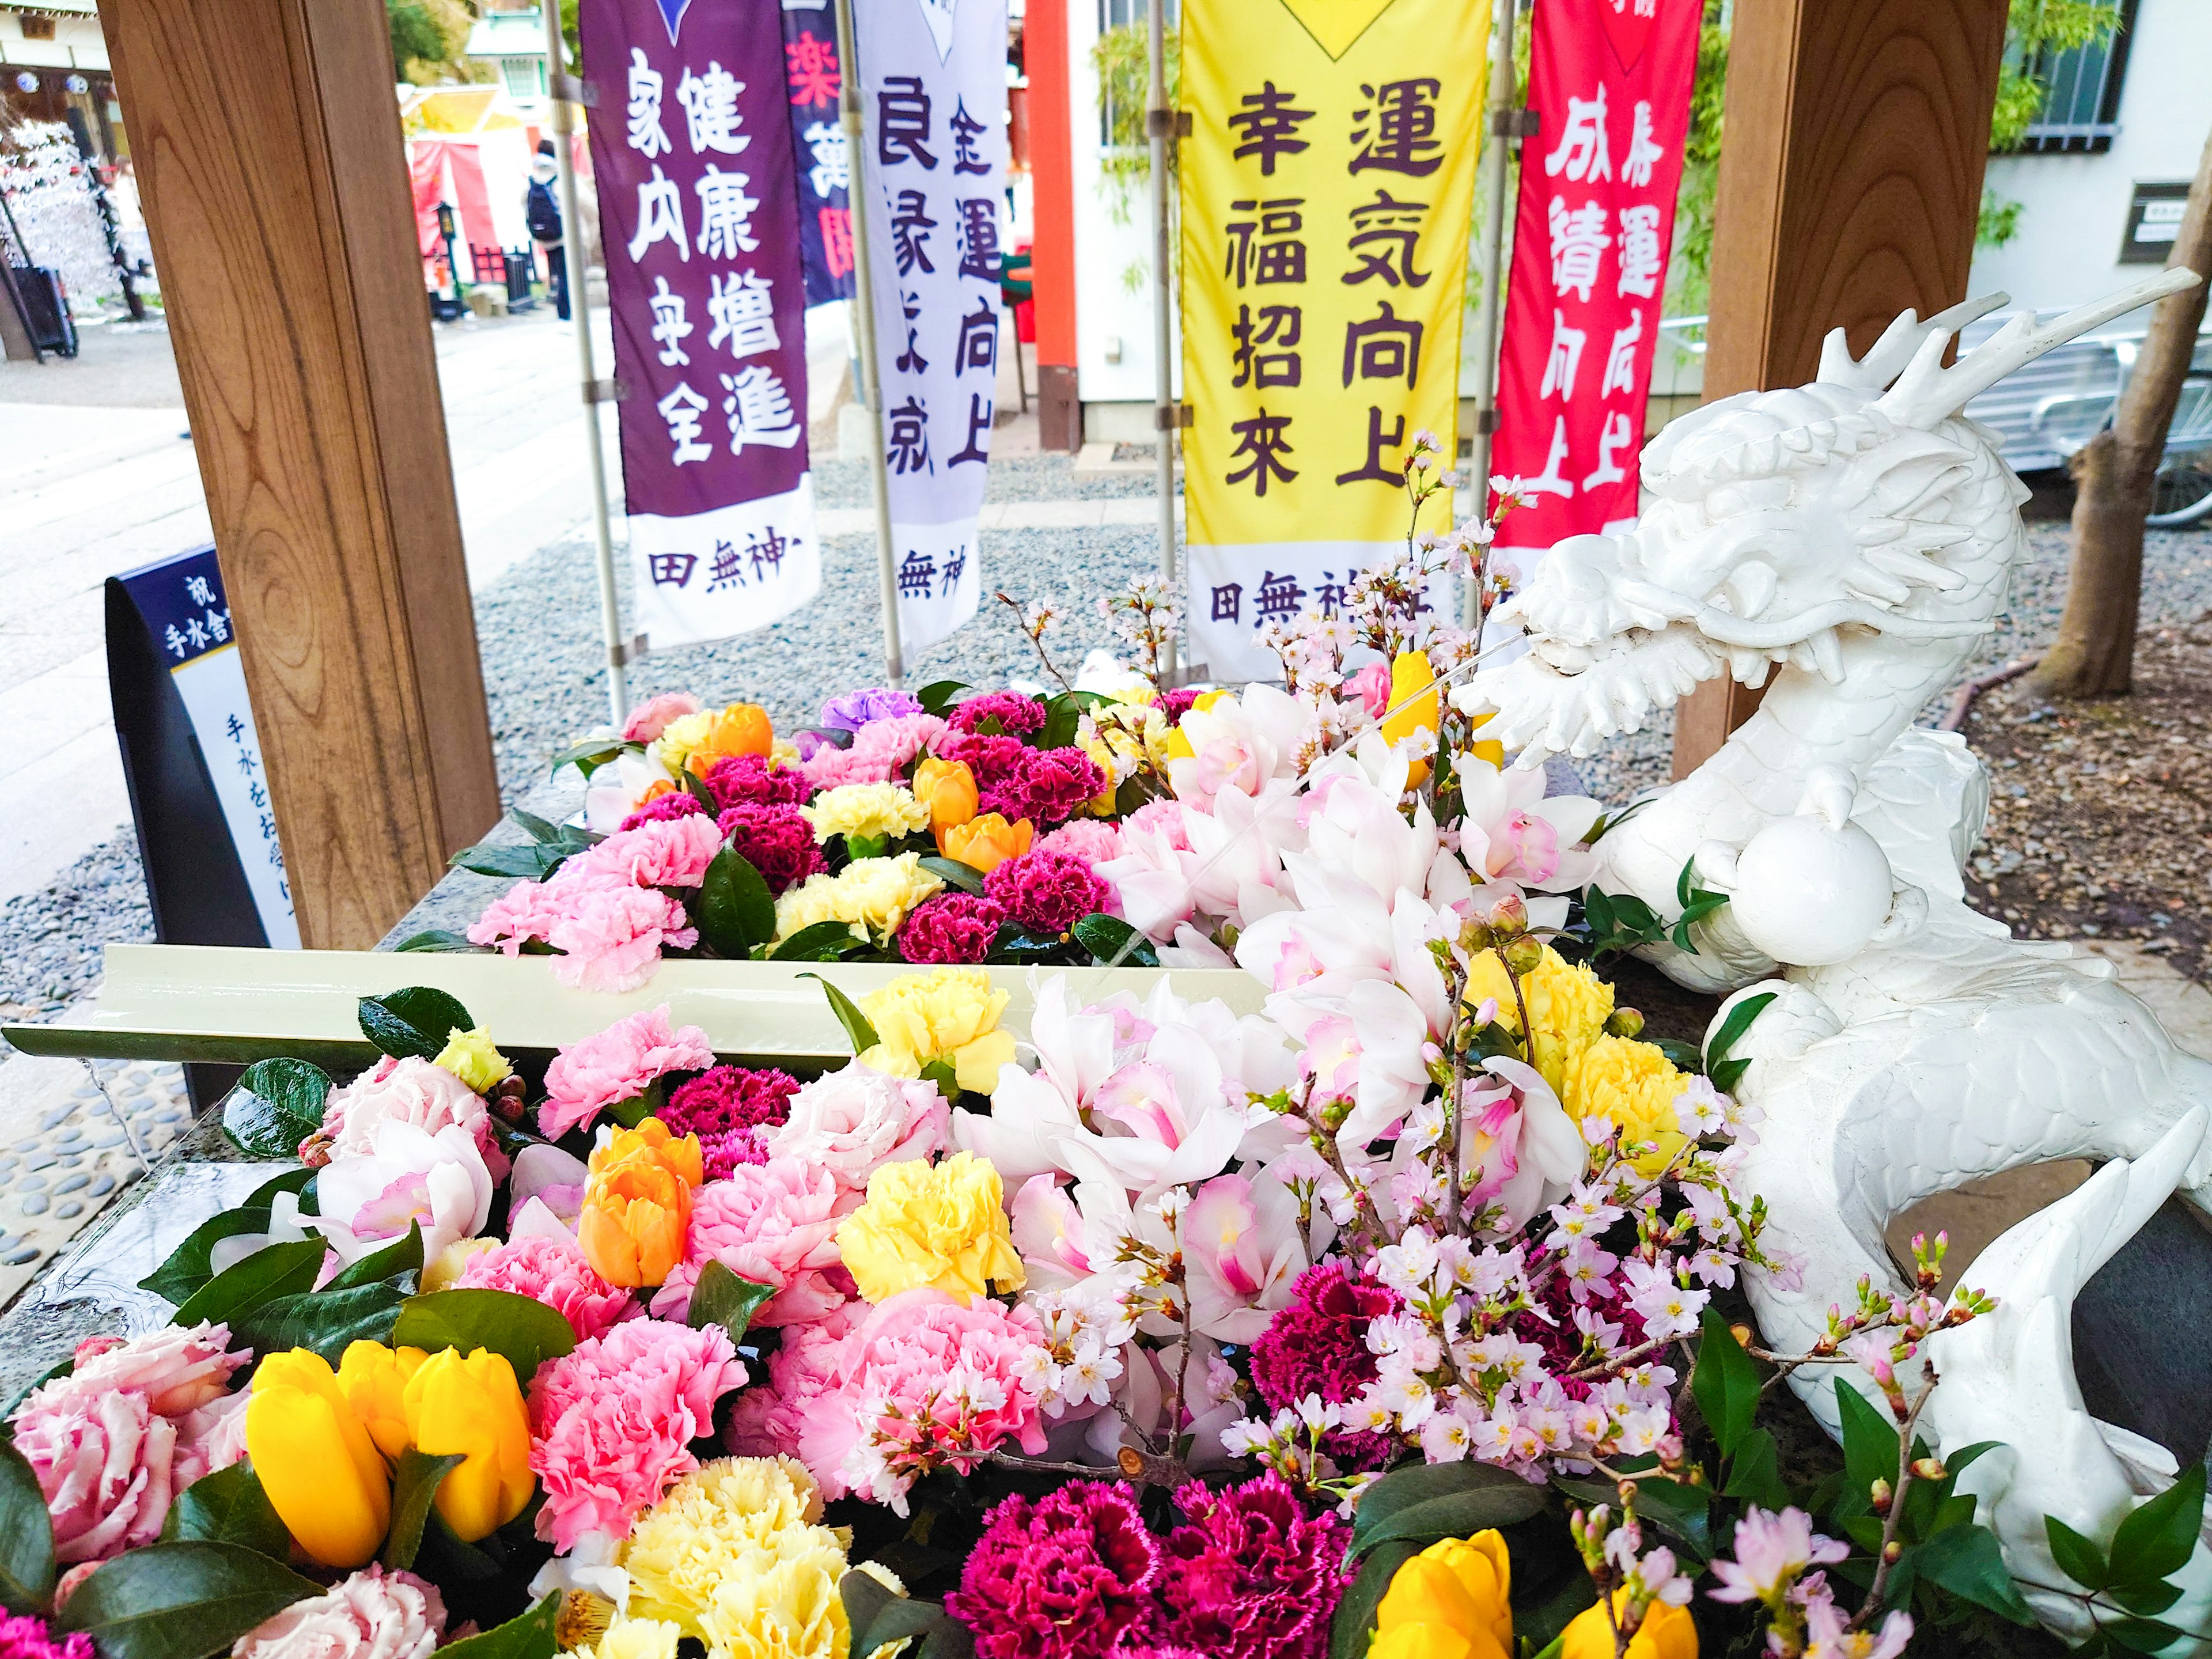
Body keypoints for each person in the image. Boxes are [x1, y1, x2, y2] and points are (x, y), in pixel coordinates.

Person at [526, 141, 569, 321]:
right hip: (562, 235)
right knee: (566, 275)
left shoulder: (532, 179)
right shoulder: (559, 176)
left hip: (543, 236)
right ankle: (566, 312)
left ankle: (560, 304)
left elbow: (523, 203)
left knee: (558, 273)